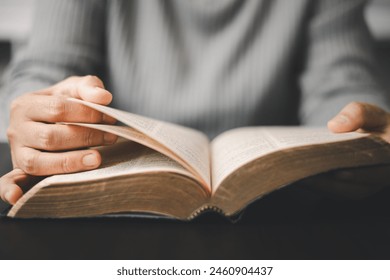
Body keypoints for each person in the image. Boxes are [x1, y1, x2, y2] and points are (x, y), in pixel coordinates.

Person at [1, 0, 390, 205]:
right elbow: (46, 69)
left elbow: (342, 82)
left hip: (276, 210)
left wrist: (360, 140)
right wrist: (41, 112)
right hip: (114, 205)